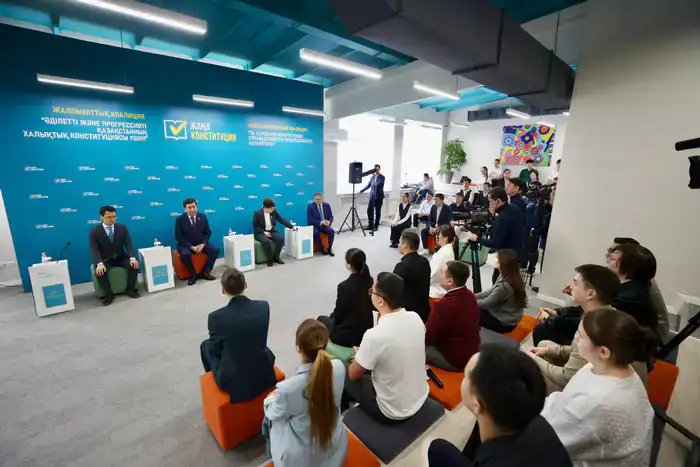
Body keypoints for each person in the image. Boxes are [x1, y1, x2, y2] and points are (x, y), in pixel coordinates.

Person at [541, 308, 654, 467]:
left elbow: (551, 441)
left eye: (580, 336)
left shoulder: (598, 402)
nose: (575, 338)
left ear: (603, 352)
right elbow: (565, 400)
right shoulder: (616, 369)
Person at [427, 348, 572, 467]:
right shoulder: (536, 422)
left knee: (437, 449)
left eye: (466, 376)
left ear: (477, 404)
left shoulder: (498, 460)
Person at [346, 272, 429, 424]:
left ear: (380, 300)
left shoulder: (374, 335)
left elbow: (353, 374)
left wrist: (361, 355)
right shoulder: (416, 318)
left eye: (371, 291)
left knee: (342, 368)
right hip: (420, 397)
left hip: (392, 411)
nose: (370, 294)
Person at [264, 319, 347, 467]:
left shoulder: (287, 389)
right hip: (336, 452)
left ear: (298, 349)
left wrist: (269, 399)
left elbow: (273, 413)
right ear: (326, 343)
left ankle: (271, 455)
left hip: (302, 461)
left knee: (269, 419)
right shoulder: (339, 367)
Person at [525, 265, 620, 394]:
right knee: (543, 345)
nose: (571, 287)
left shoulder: (594, 327)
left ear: (591, 294)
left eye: (575, 283)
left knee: (525, 374)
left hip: (587, 389)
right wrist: (547, 350)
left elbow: (566, 377)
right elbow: (576, 350)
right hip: (591, 375)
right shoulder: (605, 313)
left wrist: (535, 360)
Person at [200, 268, 277, 402]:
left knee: (205, 346)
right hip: (263, 368)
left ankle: (213, 382)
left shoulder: (216, 318)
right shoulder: (263, 306)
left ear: (223, 290)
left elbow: (214, 350)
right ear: (245, 285)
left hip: (234, 380)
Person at [606, 238, 670, 343]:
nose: (607, 257)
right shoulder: (635, 285)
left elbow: (599, 317)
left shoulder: (629, 297)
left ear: (625, 266)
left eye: (612, 258)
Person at [425, 261, 481, 371]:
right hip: (472, 353)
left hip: (456, 360)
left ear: (450, 281)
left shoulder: (444, 305)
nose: (440, 275)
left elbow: (429, 335)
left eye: (442, 273)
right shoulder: (470, 295)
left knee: (415, 347)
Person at [466, 187, 525, 284]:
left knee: (498, 280)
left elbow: (496, 242)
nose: (490, 204)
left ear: (498, 201)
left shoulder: (503, 218)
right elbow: (508, 226)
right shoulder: (514, 209)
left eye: (491, 201)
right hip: (517, 250)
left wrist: (476, 239)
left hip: (505, 255)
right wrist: (495, 216)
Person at [317, 249, 374, 348]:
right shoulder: (369, 280)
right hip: (366, 331)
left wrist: (333, 321)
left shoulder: (344, 287)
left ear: (348, 265)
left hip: (348, 337)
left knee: (321, 319)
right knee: (331, 316)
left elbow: (339, 314)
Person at [89, 205, 140, 306]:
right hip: (105, 259)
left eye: (114, 216)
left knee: (133, 266)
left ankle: (130, 289)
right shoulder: (95, 231)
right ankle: (108, 294)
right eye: (109, 217)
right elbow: (94, 249)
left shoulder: (122, 227)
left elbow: (128, 243)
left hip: (120, 257)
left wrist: (132, 258)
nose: (112, 219)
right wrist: (99, 263)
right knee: (100, 272)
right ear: (101, 217)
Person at [475, 249, 526, 333]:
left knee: (470, 314)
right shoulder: (510, 276)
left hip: (505, 322)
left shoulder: (504, 286)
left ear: (503, 263)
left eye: (497, 258)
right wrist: (469, 295)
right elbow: (488, 292)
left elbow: (486, 303)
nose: (494, 259)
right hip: (510, 316)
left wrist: (468, 300)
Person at [175, 198, 219, 286]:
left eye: (194, 207)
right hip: (186, 245)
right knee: (185, 254)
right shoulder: (180, 219)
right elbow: (178, 236)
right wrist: (191, 247)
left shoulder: (202, 217)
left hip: (200, 243)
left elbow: (207, 233)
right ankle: (193, 275)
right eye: (189, 208)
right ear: (185, 209)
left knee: (215, 250)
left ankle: (204, 272)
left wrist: (203, 244)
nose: (192, 210)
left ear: (196, 207)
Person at [393, 231, 431, 323]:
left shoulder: (401, 267)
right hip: (424, 311)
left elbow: (392, 290)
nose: (398, 245)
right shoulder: (425, 261)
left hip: (407, 314)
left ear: (405, 245)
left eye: (400, 242)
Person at [253, 198, 296, 267]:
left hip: (271, 230)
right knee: (266, 242)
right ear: (265, 207)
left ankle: (276, 257)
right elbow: (255, 226)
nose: (273, 209)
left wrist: (292, 227)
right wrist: (264, 232)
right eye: (271, 208)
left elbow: (281, 220)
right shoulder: (257, 213)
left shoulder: (274, 211)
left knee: (280, 239)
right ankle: (270, 259)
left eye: (273, 208)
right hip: (260, 232)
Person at [429, 225, 459, 299]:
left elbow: (433, 275)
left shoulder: (443, 254)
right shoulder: (447, 249)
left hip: (437, 288)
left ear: (445, 238)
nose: (437, 236)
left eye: (438, 234)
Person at [306, 192, 335, 256]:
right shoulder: (310, 206)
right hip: (314, 225)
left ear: (322, 199)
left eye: (318, 199)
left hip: (325, 225)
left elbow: (331, 217)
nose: (317, 201)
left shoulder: (327, 205)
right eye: (316, 199)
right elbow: (310, 219)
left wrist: (329, 222)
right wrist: (321, 222)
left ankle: (329, 248)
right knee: (316, 233)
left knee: (331, 231)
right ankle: (322, 248)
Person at [359, 164, 385, 231]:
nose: (376, 170)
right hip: (372, 197)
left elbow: (380, 183)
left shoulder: (382, 177)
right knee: (369, 211)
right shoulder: (372, 177)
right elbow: (368, 185)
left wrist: (376, 184)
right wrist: (361, 191)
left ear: (380, 169)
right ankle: (370, 225)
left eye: (377, 169)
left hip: (379, 198)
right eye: (375, 169)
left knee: (377, 212)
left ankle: (376, 226)